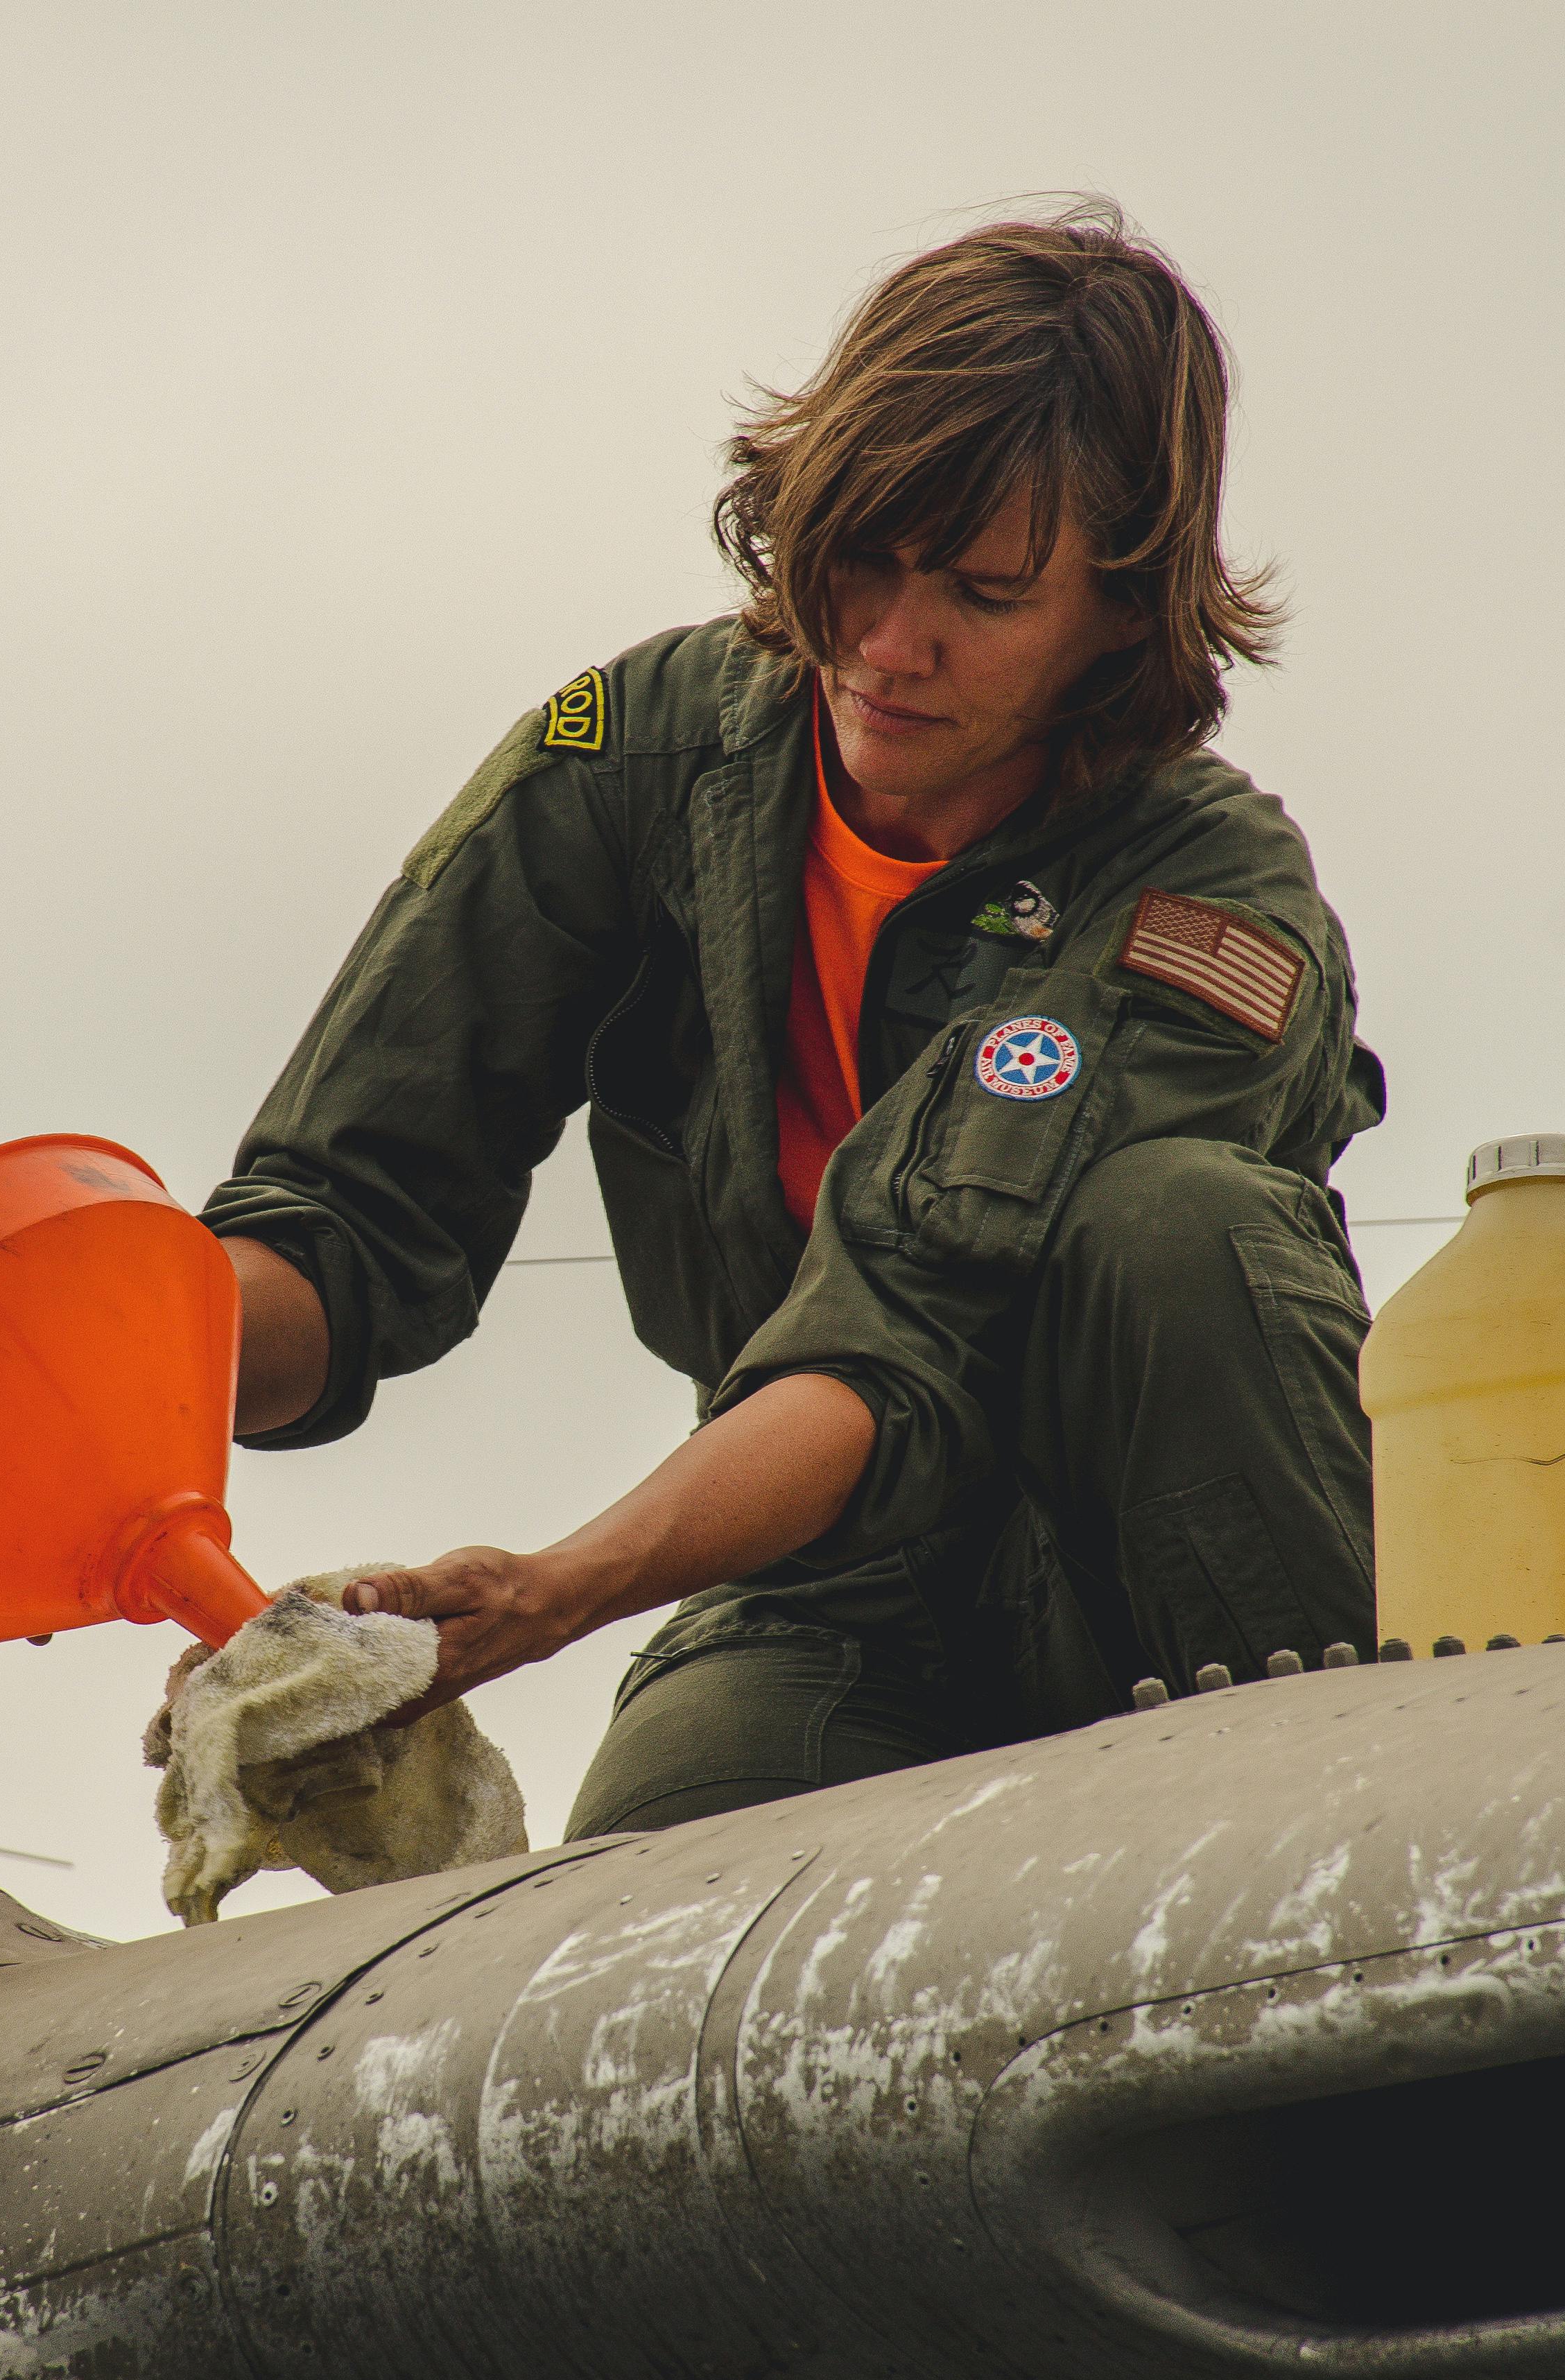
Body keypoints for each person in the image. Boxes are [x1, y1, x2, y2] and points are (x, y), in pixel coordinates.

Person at [200, 202, 1385, 1839]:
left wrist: (559, 1587)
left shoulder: (1207, 895)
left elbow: (910, 1330)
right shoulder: (636, 755)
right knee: (620, 1948)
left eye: (980, 593)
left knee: (1178, 1222)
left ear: (1119, 612)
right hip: (816, 1582)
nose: (890, 648)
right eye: (861, 558)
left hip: (1146, 1562)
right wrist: (118, 1369)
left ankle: (1333, 1830)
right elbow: (349, 1212)